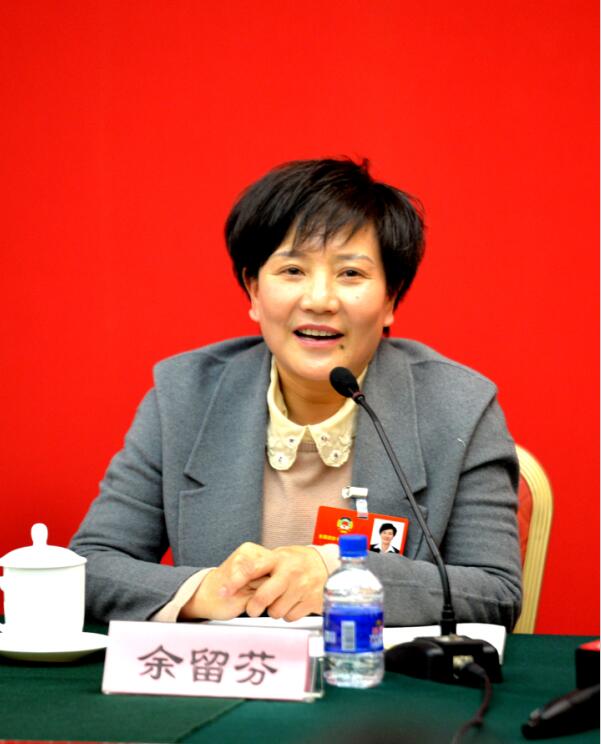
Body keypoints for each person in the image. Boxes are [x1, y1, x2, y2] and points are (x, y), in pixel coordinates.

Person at [70, 158, 522, 629]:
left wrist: (340, 575)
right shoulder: (185, 398)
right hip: (234, 672)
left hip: (371, 671)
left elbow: (495, 592)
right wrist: (206, 590)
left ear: (390, 298)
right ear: (253, 290)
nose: (319, 300)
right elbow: (92, 566)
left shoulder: (458, 408)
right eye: (292, 270)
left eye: (351, 274)